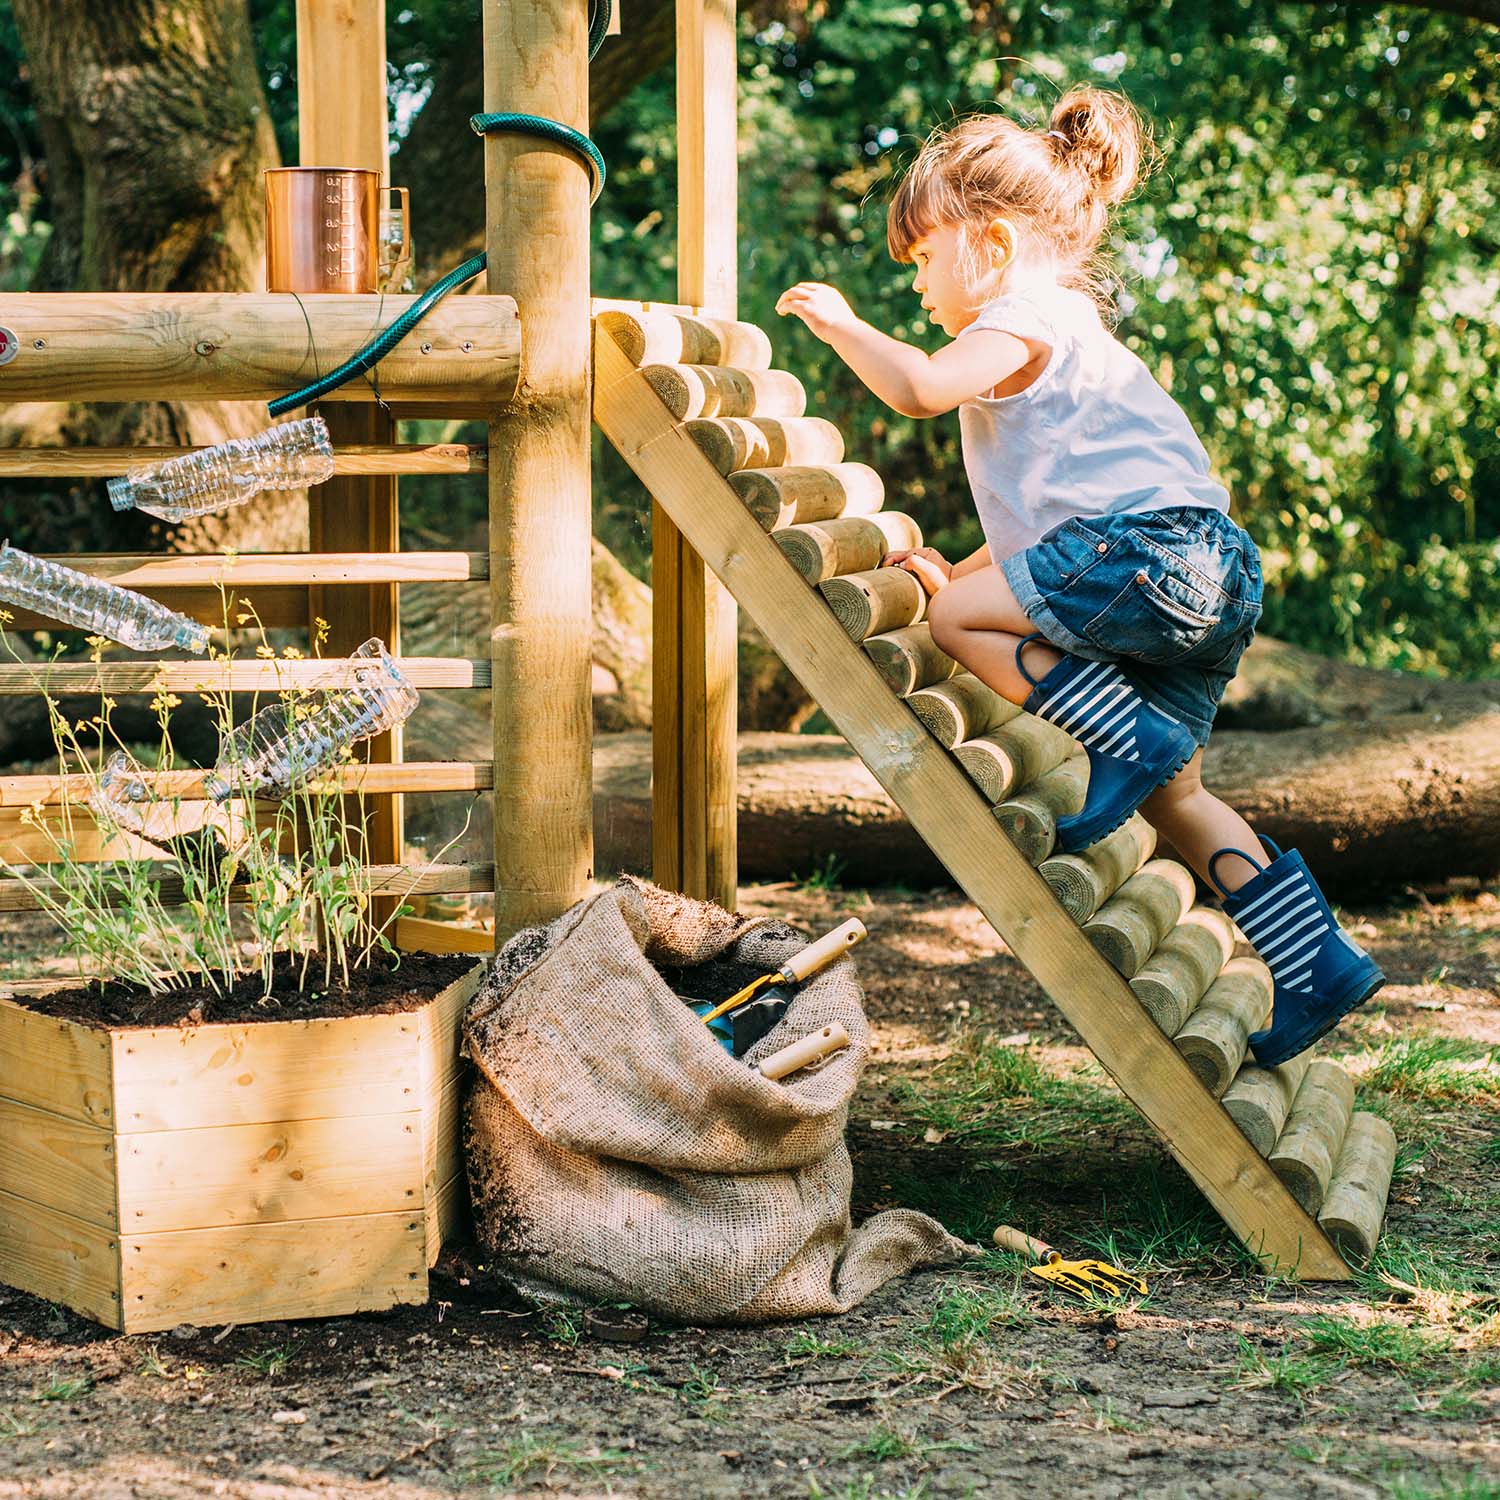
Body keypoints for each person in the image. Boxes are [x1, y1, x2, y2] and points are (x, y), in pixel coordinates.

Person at [774, 84, 1383, 1067]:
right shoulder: (1070, 333)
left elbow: (922, 389)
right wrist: (953, 563)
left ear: (994, 243)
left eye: (926, 258)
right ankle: (1317, 963)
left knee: (957, 626)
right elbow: (1051, 530)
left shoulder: (1018, 319)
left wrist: (840, 325)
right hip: (1208, 569)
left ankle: (1128, 737)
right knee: (1179, 795)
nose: (918, 287)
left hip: (1146, 556)